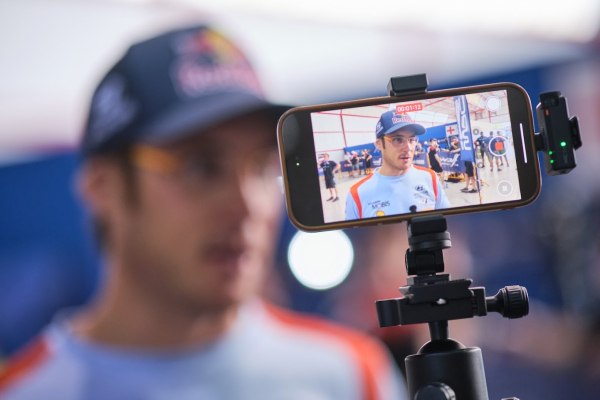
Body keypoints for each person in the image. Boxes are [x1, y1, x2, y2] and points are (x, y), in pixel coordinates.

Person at [0, 25, 406, 400]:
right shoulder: (24, 392)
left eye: (262, 167)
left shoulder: (351, 376)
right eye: (201, 166)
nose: (248, 205)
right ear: (103, 186)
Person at [345, 111, 450, 219]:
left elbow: (448, 222)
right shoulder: (358, 194)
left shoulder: (430, 178)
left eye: (411, 140)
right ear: (379, 144)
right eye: (397, 140)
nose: (408, 147)